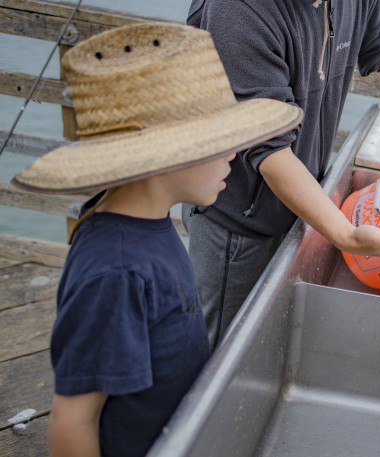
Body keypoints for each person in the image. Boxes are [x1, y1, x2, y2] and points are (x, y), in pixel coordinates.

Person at [11, 22, 303, 457]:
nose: (234, 153)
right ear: (162, 157)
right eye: (219, 141)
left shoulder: (148, 219)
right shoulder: (117, 271)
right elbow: (74, 419)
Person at [184, 0, 380, 350]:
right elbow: (269, 150)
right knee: (218, 350)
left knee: (264, 343)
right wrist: (347, 235)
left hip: (303, 204)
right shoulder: (237, 11)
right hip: (236, 223)